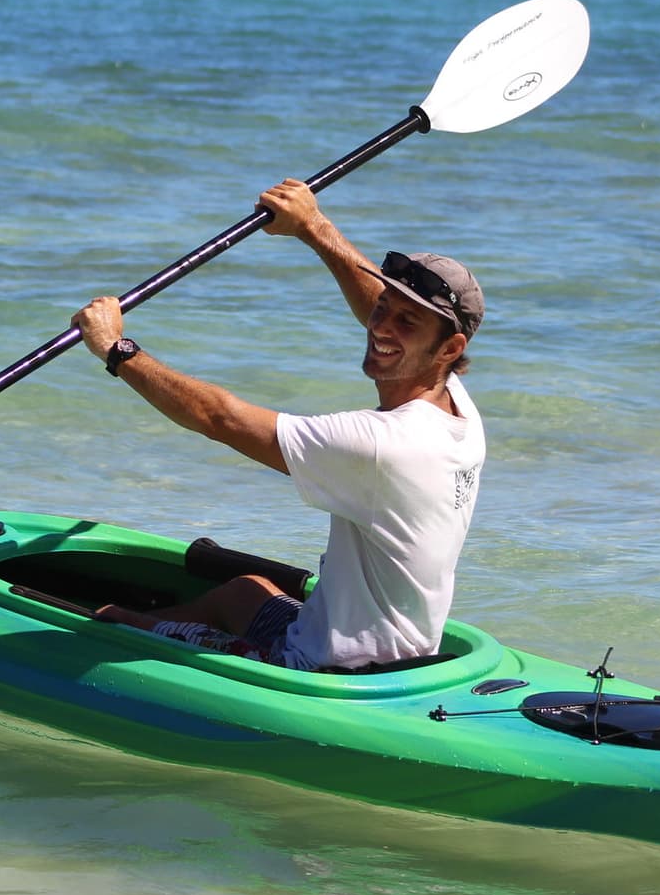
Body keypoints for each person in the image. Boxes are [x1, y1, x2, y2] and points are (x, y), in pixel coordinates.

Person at [70, 177, 486, 671]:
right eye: (383, 310)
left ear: (449, 349)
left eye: (407, 323)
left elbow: (218, 418)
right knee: (242, 593)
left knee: (110, 622)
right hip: (402, 652)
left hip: (323, 669)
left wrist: (117, 350)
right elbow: (378, 306)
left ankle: (130, 635)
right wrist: (313, 227)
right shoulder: (456, 409)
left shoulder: (383, 445)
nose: (381, 328)